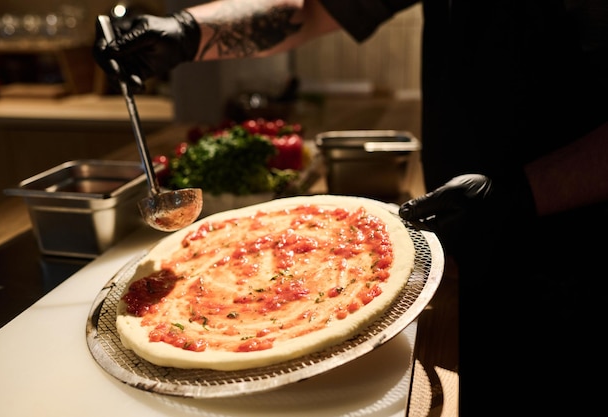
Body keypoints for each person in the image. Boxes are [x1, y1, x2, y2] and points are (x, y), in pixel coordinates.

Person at [93, 1, 608, 414]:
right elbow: (311, 9)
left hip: (576, 248)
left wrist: (518, 196)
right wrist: (185, 32)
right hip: (465, 229)